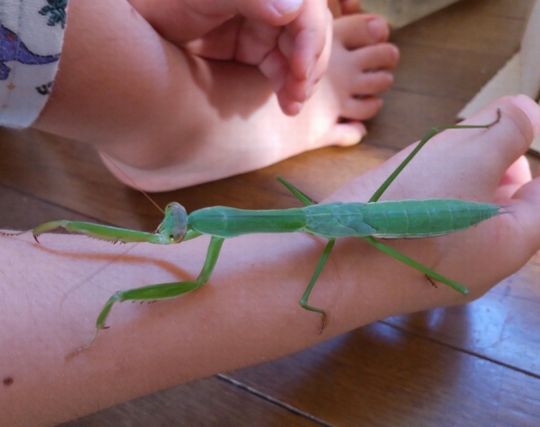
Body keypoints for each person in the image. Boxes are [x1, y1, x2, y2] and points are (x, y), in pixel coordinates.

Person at [2, 95, 540, 426]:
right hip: (370, 217)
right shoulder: (261, 222)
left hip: (413, 219)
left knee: (445, 271)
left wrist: (313, 299)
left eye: (180, 222)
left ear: (209, 227)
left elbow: (210, 279)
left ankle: (476, 168)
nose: (175, 231)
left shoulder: (235, 237)